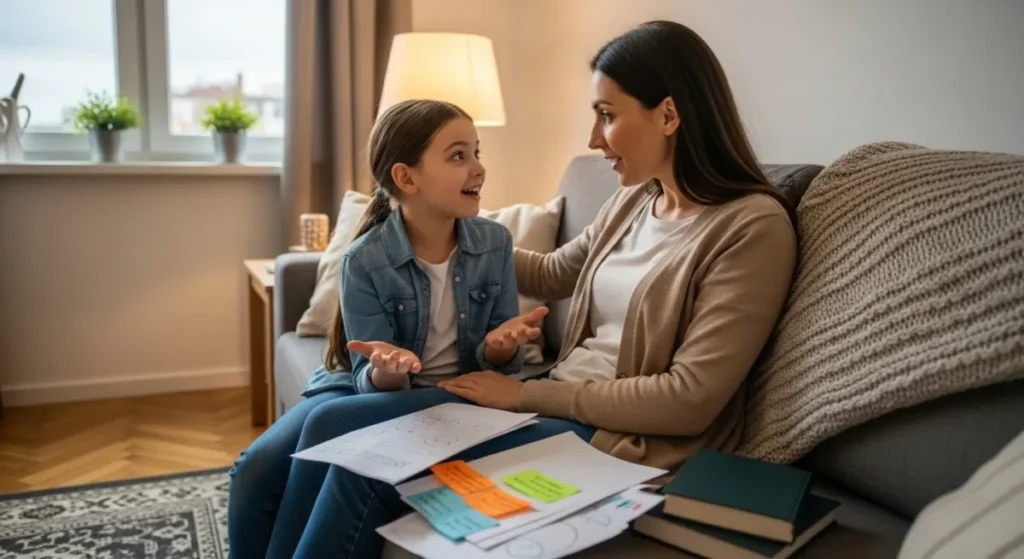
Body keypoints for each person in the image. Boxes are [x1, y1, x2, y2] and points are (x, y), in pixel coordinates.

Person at [284, 20, 800, 558]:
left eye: (607, 115)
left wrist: (524, 395)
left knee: (360, 469)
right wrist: (435, 237)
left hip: (619, 437)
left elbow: (688, 400)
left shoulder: (751, 228)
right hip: (553, 402)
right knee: (329, 430)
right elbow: (553, 273)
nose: (593, 139)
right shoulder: (635, 200)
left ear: (668, 115)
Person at [226, 99, 547, 558]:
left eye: (476, 152)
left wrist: (500, 346)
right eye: (458, 155)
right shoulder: (365, 259)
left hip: (459, 391)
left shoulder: (494, 242)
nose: (478, 167)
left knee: (327, 424)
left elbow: (503, 368)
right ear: (406, 178)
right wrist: (389, 369)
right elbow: (365, 380)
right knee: (253, 469)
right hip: (367, 389)